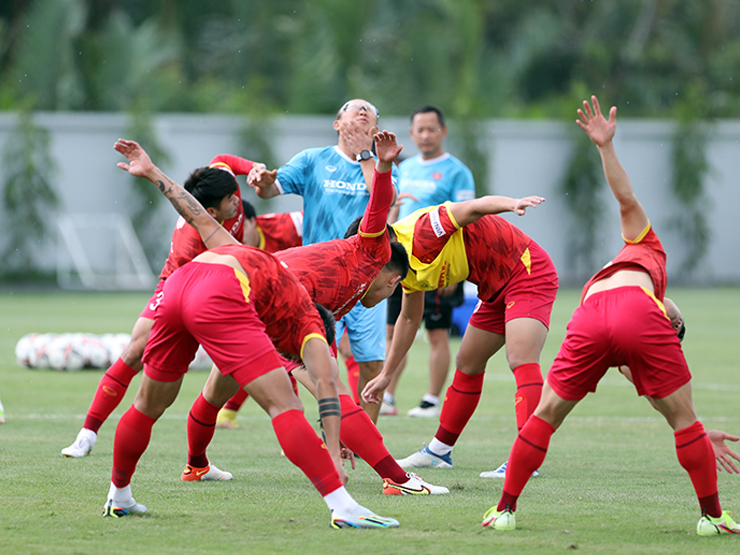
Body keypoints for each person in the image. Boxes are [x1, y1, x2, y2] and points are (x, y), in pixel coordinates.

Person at [103, 138, 399, 529]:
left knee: (147, 403)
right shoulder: (306, 320)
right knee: (284, 406)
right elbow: (328, 390)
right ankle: (342, 506)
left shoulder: (247, 249)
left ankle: (119, 495)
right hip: (218, 297)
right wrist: (332, 454)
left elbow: (198, 216)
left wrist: (153, 172)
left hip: (179, 286)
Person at [481, 96, 740, 536]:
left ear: (670, 324)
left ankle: (504, 510)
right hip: (626, 316)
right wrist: (692, 428)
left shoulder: (646, 248)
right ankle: (713, 518)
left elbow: (625, 198)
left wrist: (605, 147)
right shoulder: (649, 272)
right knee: (683, 418)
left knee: (545, 415)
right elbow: (661, 400)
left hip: (587, 318)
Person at [160, 131, 448, 496]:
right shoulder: (371, 248)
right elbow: (377, 206)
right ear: (392, 278)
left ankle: (195, 465)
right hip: (267, 300)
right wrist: (384, 164)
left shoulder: (351, 282)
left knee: (218, 389)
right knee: (332, 392)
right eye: (394, 288)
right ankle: (399, 479)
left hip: (239, 295)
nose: (388, 295)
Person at [61, 154, 262, 459]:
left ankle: (198, 463)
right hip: (179, 287)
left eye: (236, 194)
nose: (238, 202)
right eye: (230, 200)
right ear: (209, 211)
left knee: (227, 375)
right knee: (134, 354)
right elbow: (204, 276)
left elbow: (223, 160)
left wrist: (253, 169)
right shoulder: (193, 244)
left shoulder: (222, 186)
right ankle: (87, 435)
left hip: (217, 285)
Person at [363, 186, 556, 479]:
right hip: (492, 287)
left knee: (520, 358)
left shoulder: (424, 231)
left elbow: (474, 207)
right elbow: (408, 318)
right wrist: (387, 375)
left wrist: (512, 202)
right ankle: (439, 451)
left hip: (526, 271)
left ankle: (528, 460)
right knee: (468, 362)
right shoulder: (400, 266)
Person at [248, 99, 399, 423]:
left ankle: (364, 436)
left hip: (369, 280)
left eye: (368, 111)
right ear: (336, 123)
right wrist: (262, 181)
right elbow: (271, 189)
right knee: (321, 360)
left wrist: (365, 154)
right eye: (353, 108)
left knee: (373, 362)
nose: (361, 111)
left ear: (374, 128)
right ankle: (339, 425)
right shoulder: (313, 159)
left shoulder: (381, 163)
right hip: (321, 280)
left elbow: (383, 200)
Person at [382, 104, 475, 418]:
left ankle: (431, 400)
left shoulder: (458, 171)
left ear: (443, 132)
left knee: (437, 334)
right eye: (419, 129)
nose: (425, 135)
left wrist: (454, 275)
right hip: (401, 264)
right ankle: (388, 396)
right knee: (393, 331)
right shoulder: (404, 168)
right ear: (411, 134)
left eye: (431, 129)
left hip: (439, 267)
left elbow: (465, 221)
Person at [215, 205, 304, 429]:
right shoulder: (230, 249)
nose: (238, 236)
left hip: (306, 291)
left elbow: (323, 213)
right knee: (266, 352)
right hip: (269, 298)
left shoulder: (285, 226)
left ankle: (229, 412)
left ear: (254, 221)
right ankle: (294, 427)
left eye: (241, 227)